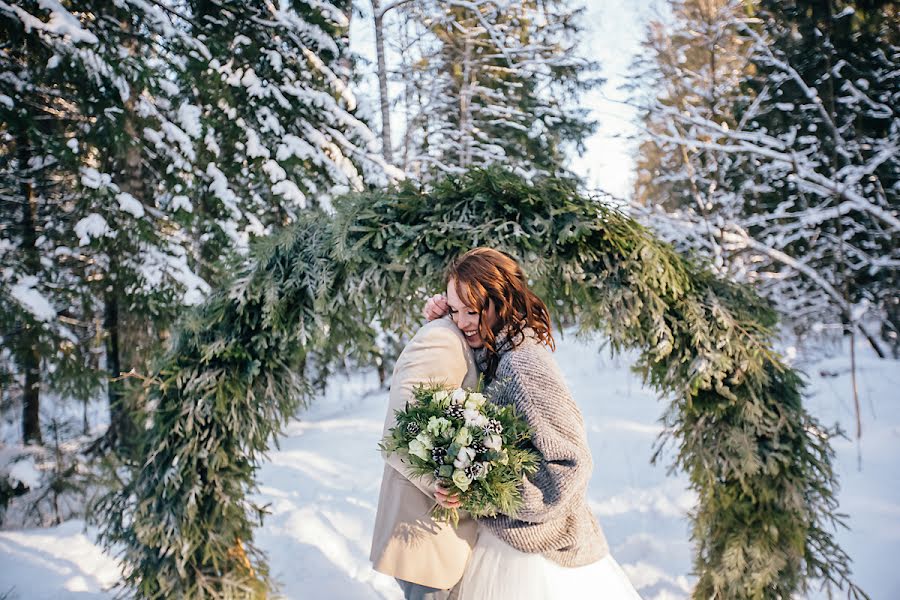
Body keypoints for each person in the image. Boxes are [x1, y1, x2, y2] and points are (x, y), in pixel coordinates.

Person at [424, 247, 642, 600]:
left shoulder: (523, 365)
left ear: (502, 302)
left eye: (472, 310)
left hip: (538, 558)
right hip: (509, 539)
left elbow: (571, 466)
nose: (462, 321)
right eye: (454, 310)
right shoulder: (497, 349)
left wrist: (480, 488)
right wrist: (441, 322)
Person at [370, 315, 480, 600]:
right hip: (426, 536)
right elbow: (398, 437)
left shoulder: (463, 339)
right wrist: (444, 485)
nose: (467, 318)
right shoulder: (441, 340)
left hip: (443, 537)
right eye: (460, 308)